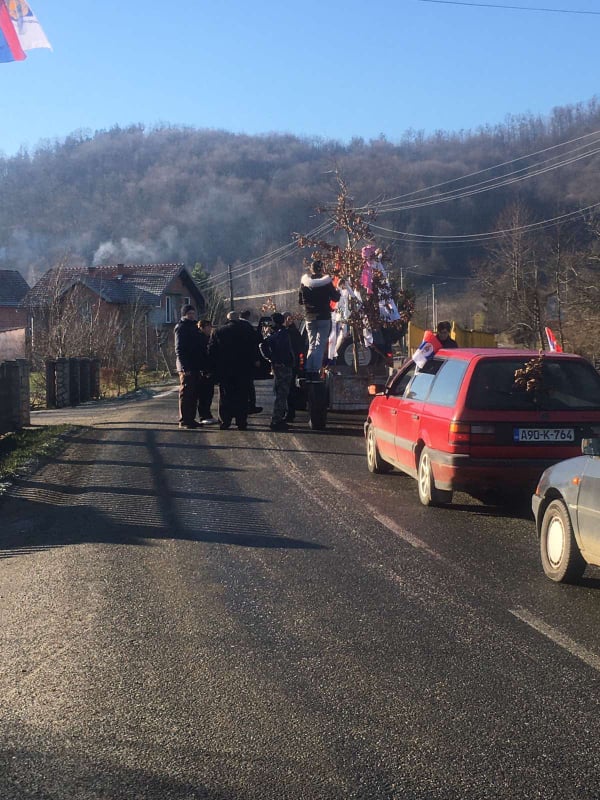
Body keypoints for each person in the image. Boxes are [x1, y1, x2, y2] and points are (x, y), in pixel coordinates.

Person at [207, 310, 258, 430]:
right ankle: (241, 422)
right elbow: (254, 347)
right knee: (242, 396)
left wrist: (212, 368)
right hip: (243, 369)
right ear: (238, 319)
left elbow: (211, 351)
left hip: (225, 370)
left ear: (228, 319)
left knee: (225, 396)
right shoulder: (248, 330)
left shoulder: (219, 331)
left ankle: (225, 421)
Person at [298, 259, 340, 379]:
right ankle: (315, 371)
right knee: (320, 345)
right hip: (323, 317)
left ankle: (309, 368)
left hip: (309, 317)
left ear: (311, 269)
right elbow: (335, 298)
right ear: (321, 269)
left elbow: (300, 301)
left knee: (312, 344)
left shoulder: (305, 282)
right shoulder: (326, 282)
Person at [259, 312, 295, 430]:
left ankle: (278, 418)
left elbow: (263, 345)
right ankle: (276, 420)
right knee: (282, 393)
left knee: (280, 392)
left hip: (279, 365)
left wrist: (270, 358)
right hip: (283, 366)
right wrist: (271, 358)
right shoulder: (282, 334)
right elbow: (263, 345)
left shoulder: (276, 334)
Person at [174, 304, 205, 429]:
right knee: (186, 393)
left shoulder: (195, 326)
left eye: (193, 313)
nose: (192, 315)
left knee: (194, 394)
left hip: (196, 364)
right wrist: (184, 367)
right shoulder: (181, 328)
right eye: (189, 313)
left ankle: (191, 418)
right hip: (186, 366)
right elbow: (179, 349)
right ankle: (184, 419)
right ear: (184, 314)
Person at [282, 311, 307, 423]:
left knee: (287, 390)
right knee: (289, 389)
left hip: (289, 365)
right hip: (293, 364)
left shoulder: (288, 333)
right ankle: (288, 412)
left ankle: (288, 412)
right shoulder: (295, 332)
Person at [239, 308, 263, 415]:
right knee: (249, 385)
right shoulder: (248, 327)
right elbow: (255, 343)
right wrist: (256, 359)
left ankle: (241, 405)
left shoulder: (233, 326)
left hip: (236, 361)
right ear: (248, 317)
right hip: (247, 361)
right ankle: (250, 405)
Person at [197, 319, 216, 424]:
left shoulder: (209, 338)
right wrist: (205, 369)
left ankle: (207, 414)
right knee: (203, 394)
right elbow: (201, 356)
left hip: (208, 370)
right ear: (202, 327)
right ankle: (203, 415)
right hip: (203, 371)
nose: (210, 329)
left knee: (209, 393)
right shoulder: (200, 339)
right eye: (208, 327)